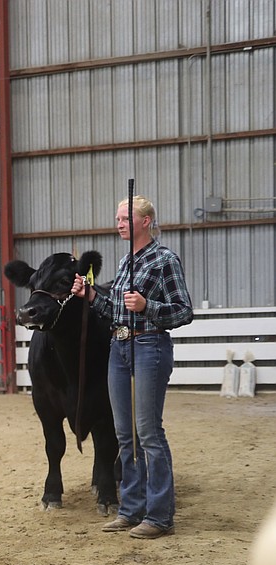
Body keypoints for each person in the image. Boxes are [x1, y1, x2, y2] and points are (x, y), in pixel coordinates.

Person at [71, 194, 193, 539]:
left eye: (125, 218)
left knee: (149, 433)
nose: (119, 224)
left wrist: (147, 305)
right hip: (119, 347)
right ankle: (131, 508)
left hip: (149, 344)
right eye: (117, 218)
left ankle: (159, 516)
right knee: (126, 435)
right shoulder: (127, 262)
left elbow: (183, 311)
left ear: (145, 221)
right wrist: (91, 296)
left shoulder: (164, 259)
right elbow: (114, 310)